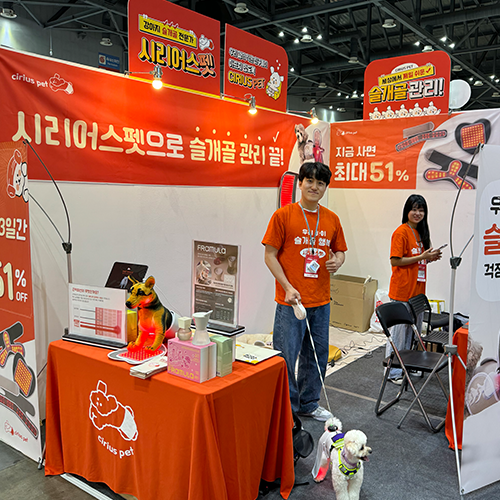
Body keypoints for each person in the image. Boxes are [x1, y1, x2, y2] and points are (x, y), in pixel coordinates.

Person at [262, 162, 347, 421]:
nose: (314, 187)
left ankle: (308, 403)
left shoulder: (332, 219)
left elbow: (340, 251)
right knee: (285, 357)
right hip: (292, 301)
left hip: (321, 299)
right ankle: (287, 409)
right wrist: (287, 287)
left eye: (320, 183)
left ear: (325, 188)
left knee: (317, 355)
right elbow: (269, 255)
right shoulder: (283, 216)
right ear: (300, 183)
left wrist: (338, 261)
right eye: (309, 181)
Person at [386, 194, 442, 384]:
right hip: (402, 291)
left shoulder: (420, 233)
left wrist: (429, 258)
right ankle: (393, 372)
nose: (418, 213)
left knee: (413, 332)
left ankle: (409, 365)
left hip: (417, 292)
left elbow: (418, 261)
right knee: (399, 335)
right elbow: (395, 261)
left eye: (421, 210)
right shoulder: (401, 232)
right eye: (414, 209)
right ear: (407, 211)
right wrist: (421, 257)